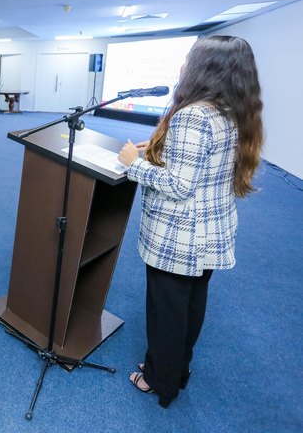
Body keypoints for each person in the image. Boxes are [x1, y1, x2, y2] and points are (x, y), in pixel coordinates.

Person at [117, 35, 264, 408]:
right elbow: (198, 172)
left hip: (179, 237)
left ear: (204, 68)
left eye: (188, 59)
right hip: (209, 233)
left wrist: (133, 164)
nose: (182, 66)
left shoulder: (192, 115)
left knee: (166, 311)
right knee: (190, 305)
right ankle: (175, 370)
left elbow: (179, 185)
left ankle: (158, 380)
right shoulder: (232, 110)